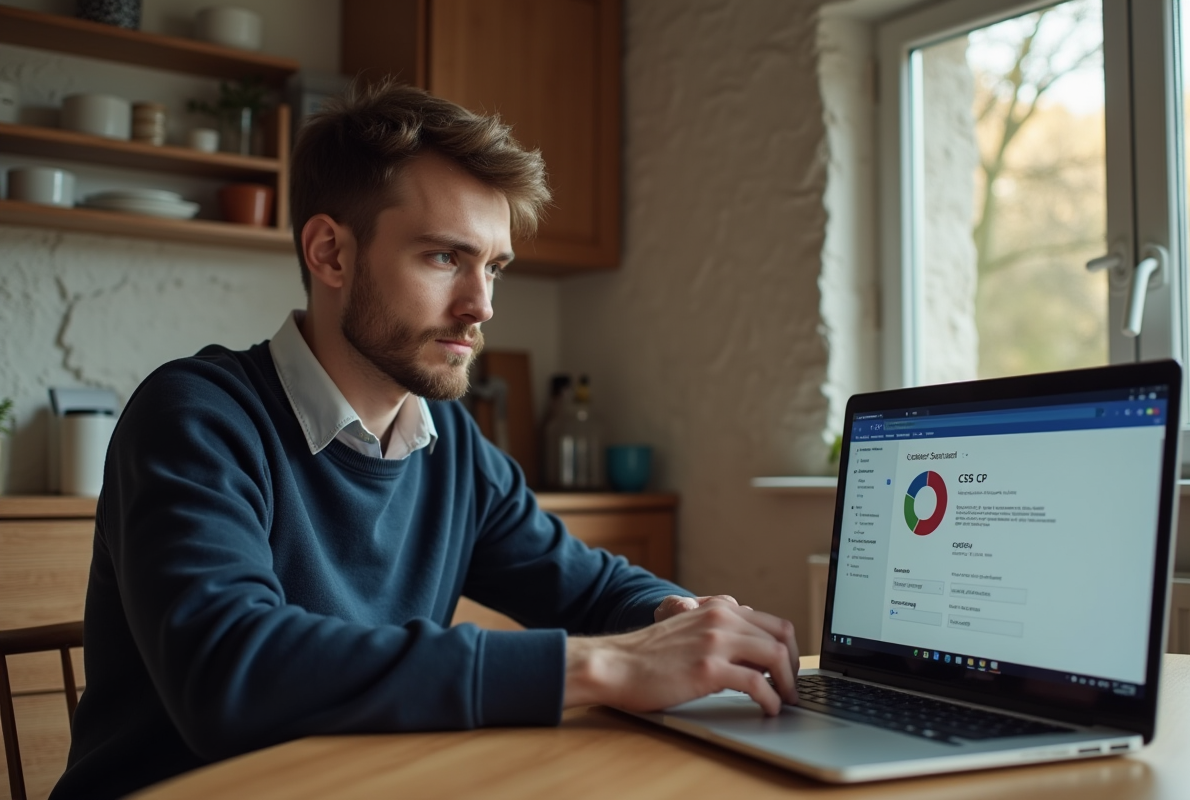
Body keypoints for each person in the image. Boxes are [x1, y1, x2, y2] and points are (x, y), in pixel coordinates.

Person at [51, 81, 799, 800]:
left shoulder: (453, 450)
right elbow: (231, 673)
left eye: (494, 266)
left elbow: (591, 588)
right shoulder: (196, 418)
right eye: (445, 257)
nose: (482, 307)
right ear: (331, 254)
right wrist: (601, 667)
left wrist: (682, 620)